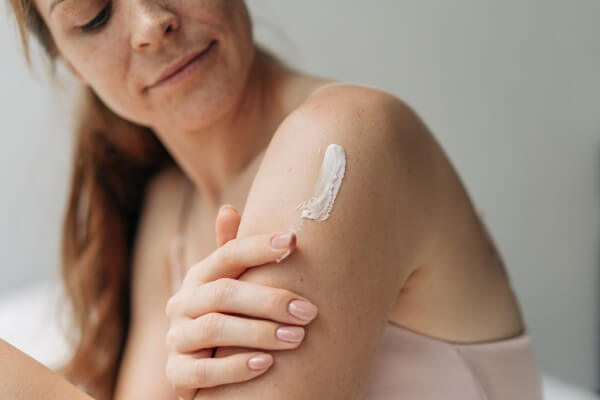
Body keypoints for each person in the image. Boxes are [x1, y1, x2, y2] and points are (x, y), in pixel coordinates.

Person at [2, 0, 544, 399]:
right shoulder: (172, 210)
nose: (150, 25)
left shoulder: (343, 143)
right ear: (70, 62)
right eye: (93, 16)